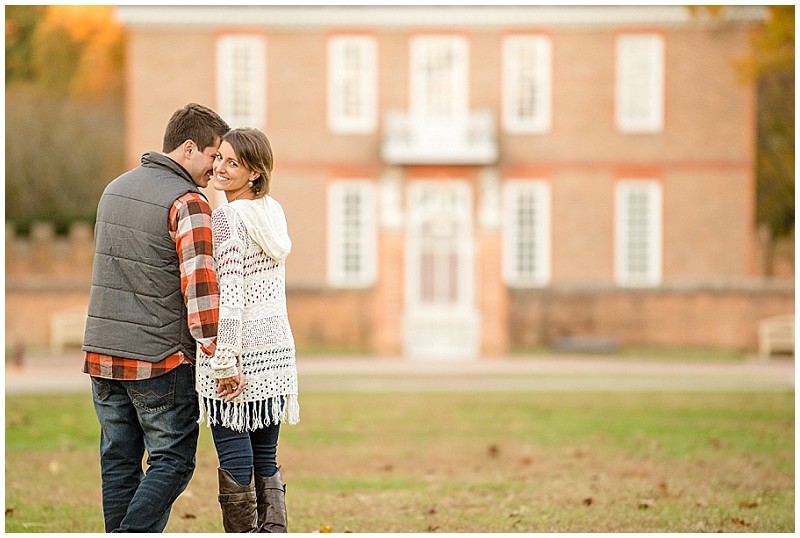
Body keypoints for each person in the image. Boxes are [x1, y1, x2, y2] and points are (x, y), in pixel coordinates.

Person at [82, 103, 230, 533]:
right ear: (188, 148)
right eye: (212, 155)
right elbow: (200, 287)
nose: (215, 168)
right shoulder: (188, 202)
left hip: (102, 355)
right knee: (174, 459)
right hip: (159, 360)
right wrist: (217, 353)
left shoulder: (114, 189)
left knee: (119, 462)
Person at [196, 127, 300, 533]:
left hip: (238, 357)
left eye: (232, 163)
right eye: (219, 157)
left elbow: (232, 295)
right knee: (266, 461)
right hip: (275, 356)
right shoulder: (273, 213)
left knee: (237, 464)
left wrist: (224, 362)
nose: (220, 167)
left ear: (254, 173)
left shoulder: (226, 218)